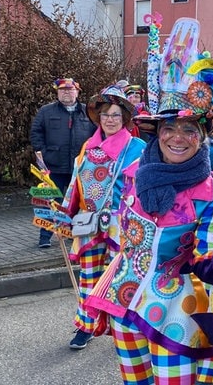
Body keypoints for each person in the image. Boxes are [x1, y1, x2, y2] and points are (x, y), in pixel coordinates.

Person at [84, 17, 213, 384]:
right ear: (157, 132)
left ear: (203, 138)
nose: (178, 137)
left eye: (189, 129)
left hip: (176, 311)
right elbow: (118, 238)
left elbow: (211, 265)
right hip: (123, 299)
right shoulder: (135, 173)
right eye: (169, 128)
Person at [62, 84, 146, 349]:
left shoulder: (137, 147)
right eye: (106, 114)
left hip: (121, 225)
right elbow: (77, 181)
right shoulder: (88, 146)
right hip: (88, 223)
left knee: (118, 279)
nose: (110, 120)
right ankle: (85, 326)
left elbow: (144, 186)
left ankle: (124, 328)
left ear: (124, 120)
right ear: (99, 117)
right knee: (89, 277)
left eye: (116, 115)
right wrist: (64, 213)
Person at [30, 78, 96, 248]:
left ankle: (72, 234)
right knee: (50, 202)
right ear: (57, 93)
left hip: (80, 168)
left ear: (77, 91)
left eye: (70, 89)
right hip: (54, 167)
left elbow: (97, 136)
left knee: (77, 204)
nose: (66, 92)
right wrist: (43, 152)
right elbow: (36, 132)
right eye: (62, 90)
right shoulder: (46, 111)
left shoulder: (87, 112)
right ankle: (44, 238)